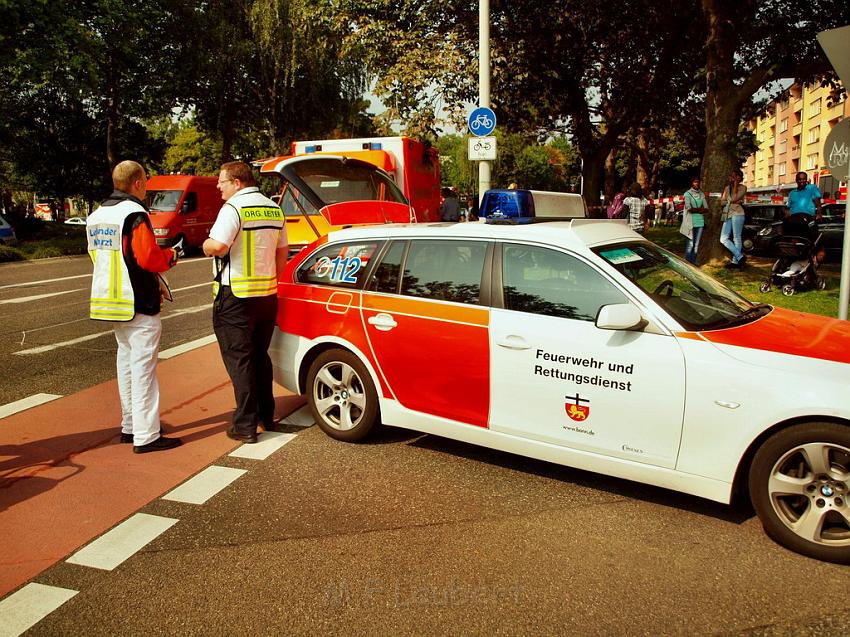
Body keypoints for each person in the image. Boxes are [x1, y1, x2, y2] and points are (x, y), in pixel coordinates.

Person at [86, 160, 181, 453]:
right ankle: (147, 435)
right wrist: (171, 257)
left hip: (111, 301)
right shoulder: (134, 213)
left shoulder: (97, 215)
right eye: (146, 182)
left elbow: (96, 256)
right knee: (144, 371)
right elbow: (148, 258)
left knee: (126, 365)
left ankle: (129, 426)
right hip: (138, 301)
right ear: (138, 183)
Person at [203, 161, 288, 444]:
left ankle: (245, 425)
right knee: (260, 357)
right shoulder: (274, 208)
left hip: (235, 295)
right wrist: (271, 280)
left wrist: (205, 245)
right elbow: (282, 252)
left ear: (237, 182)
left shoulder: (234, 209)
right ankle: (267, 416)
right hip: (266, 295)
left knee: (240, 361)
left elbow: (218, 246)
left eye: (222, 182)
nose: (218, 186)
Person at [719, 168, 747, 268]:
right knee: (723, 238)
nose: (733, 178)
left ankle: (736, 262)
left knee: (736, 238)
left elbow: (735, 198)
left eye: (736, 177)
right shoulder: (727, 188)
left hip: (738, 214)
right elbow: (722, 202)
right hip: (728, 214)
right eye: (732, 176)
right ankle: (740, 257)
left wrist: (735, 186)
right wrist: (731, 202)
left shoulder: (743, 188)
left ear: (740, 178)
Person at [679, 175, 709, 265]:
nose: (697, 183)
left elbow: (707, 208)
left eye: (698, 182)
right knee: (690, 244)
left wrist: (696, 209)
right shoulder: (687, 194)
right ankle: (688, 263)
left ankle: (693, 263)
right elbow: (688, 208)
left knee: (696, 245)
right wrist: (700, 210)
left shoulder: (701, 194)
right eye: (695, 182)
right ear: (692, 183)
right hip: (690, 222)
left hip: (700, 222)